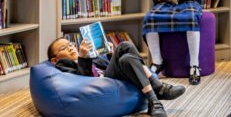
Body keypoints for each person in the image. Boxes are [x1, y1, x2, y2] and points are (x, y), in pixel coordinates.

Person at [47, 37, 185, 117]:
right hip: (101, 84)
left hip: (112, 77)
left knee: (126, 58)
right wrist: (83, 59)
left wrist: (111, 54)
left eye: (70, 44)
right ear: (54, 59)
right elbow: (84, 83)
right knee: (124, 46)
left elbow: (108, 66)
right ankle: (158, 90)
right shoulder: (63, 66)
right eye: (63, 48)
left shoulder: (90, 56)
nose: (70, 47)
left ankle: (154, 101)